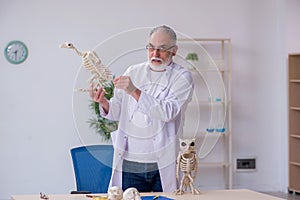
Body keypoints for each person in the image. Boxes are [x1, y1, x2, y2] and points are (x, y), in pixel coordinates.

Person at [89, 25, 194, 192]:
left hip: (164, 162)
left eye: (162, 49)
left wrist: (135, 91)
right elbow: (117, 111)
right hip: (132, 163)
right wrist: (104, 103)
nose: (155, 54)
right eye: (151, 47)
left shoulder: (182, 77)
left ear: (174, 50)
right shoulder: (133, 71)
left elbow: (168, 112)